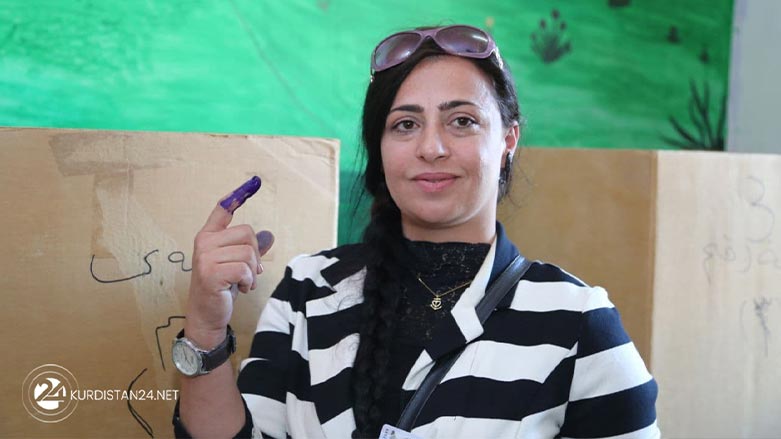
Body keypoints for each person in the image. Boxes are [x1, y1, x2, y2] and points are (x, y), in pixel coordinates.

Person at [172, 25, 660, 439]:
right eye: (405, 125)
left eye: (462, 121)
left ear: (508, 138)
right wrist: (207, 328)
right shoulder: (310, 289)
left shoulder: (577, 321)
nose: (431, 147)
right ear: (380, 148)